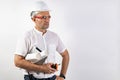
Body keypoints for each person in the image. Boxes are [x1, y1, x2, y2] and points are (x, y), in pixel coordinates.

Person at [14, 1, 69, 80]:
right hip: (32, 78)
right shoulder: (27, 36)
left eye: (48, 17)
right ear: (34, 19)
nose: (47, 20)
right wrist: (42, 68)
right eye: (43, 17)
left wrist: (62, 76)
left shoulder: (54, 36)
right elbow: (17, 62)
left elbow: (65, 55)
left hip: (51, 78)